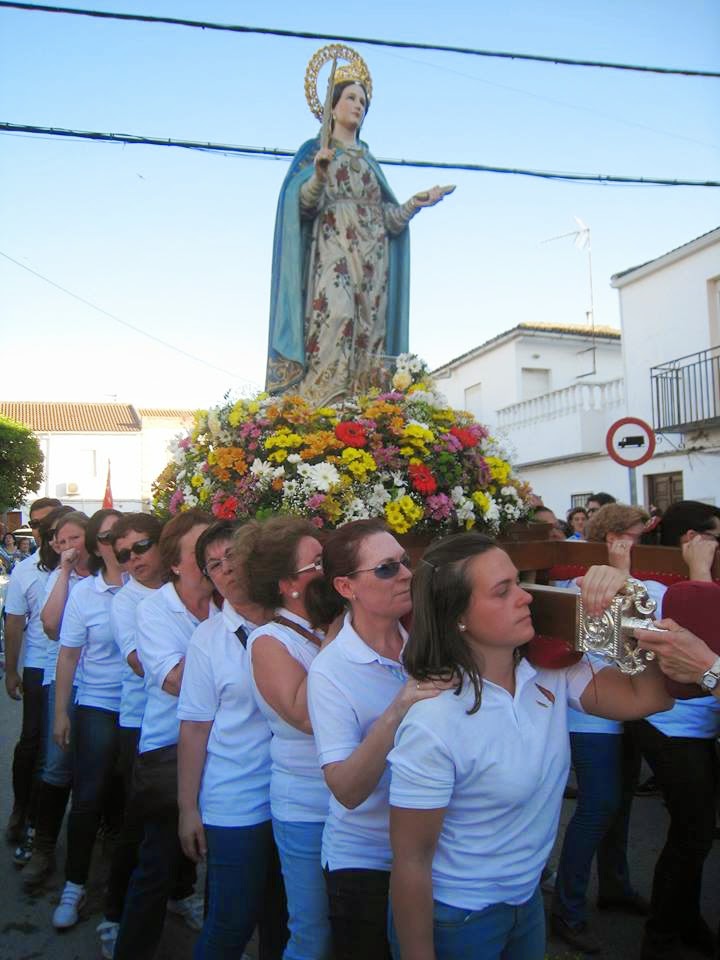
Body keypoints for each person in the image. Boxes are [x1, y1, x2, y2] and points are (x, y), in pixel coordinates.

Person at [386, 532, 673, 960]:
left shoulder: (550, 674)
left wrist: (627, 600)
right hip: (459, 919)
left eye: (518, 582)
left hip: (527, 903)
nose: (525, 598)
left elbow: (649, 698)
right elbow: (410, 861)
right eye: (503, 591)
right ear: (456, 616)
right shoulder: (434, 720)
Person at [266, 47, 452, 404]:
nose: (358, 106)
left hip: (373, 266)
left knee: (370, 332)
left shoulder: (369, 162)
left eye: (363, 102)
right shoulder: (315, 152)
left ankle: (364, 410)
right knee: (336, 316)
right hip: (332, 258)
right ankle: (322, 404)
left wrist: (415, 204)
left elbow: (389, 221)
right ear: (332, 106)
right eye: (351, 97)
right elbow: (300, 209)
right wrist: (319, 175)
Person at [306, 519, 452, 959]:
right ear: (346, 587)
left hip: (432, 850)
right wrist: (398, 708)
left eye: (405, 562)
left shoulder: (426, 643)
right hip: (365, 861)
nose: (406, 574)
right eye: (386, 569)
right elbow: (347, 789)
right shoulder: (330, 671)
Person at [551, 504, 660, 954]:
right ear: (617, 538)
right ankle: (567, 910)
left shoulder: (624, 575)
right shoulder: (580, 582)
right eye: (638, 534)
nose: (645, 542)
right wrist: (620, 577)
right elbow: (612, 643)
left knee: (619, 806)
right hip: (591, 711)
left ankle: (614, 885)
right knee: (598, 807)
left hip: (624, 708)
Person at [178, 520, 288, 959]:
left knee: (285, 921)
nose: (226, 569)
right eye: (214, 564)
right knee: (231, 922)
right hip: (237, 801)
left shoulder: (299, 620)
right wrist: (188, 808)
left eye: (233, 557)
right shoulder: (208, 640)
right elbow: (194, 727)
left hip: (297, 797)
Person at [114, 509, 216, 960]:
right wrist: (239, 679)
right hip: (169, 749)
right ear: (176, 562)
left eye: (219, 549)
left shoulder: (230, 602)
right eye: (203, 552)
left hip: (225, 750)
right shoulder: (152, 608)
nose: (216, 559)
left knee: (222, 860)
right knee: (155, 861)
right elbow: (172, 679)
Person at [628, 500, 720, 960]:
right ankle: (660, 937)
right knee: (693, 833)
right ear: (693, 541)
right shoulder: (656, 585)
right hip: (673, 723)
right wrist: (701, 571)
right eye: (715, 537)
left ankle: (685, 922)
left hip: (692, 726)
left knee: (694, 831)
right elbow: (697, 639)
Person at [245, 517, 331, 960]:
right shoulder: (268, 641)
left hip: (363, 802)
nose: (329, 570)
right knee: (313, 934)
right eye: (317, 563)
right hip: (308, 807)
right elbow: (305, 714)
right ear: (286, 584)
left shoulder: (334, 626)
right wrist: (344, 638)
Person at [52, 508, 125, 929]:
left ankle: (130, 889)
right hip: (97, 702)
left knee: (135, 800)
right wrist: (61, 712)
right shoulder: (85, 593)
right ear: (96, 546)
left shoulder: (150, 587)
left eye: (123, 535)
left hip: (144, 708)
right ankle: (74, 885)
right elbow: (68, 655)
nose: (117, 543)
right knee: (89, 796)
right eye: (108, 536)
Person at [97, 512, 166, 960]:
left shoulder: (191, 590)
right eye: (124, 554)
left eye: (141, 547)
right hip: (142, 723)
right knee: (139, 827)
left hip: (194, 724)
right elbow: (140, 662)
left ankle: (179, 893)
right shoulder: (127, 601)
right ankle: (115, 913)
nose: (133, 560)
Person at [3, 497, 62, 852]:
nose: (42, 529)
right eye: (37, 523)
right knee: (32, 743)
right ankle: (22, 810)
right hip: (39, 664)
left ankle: (45, 820)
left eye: (49, 522)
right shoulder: (26, 570)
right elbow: (13, 624)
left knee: (59, 748)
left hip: (73, 669)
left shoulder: (81, 567)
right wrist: (12, 671)